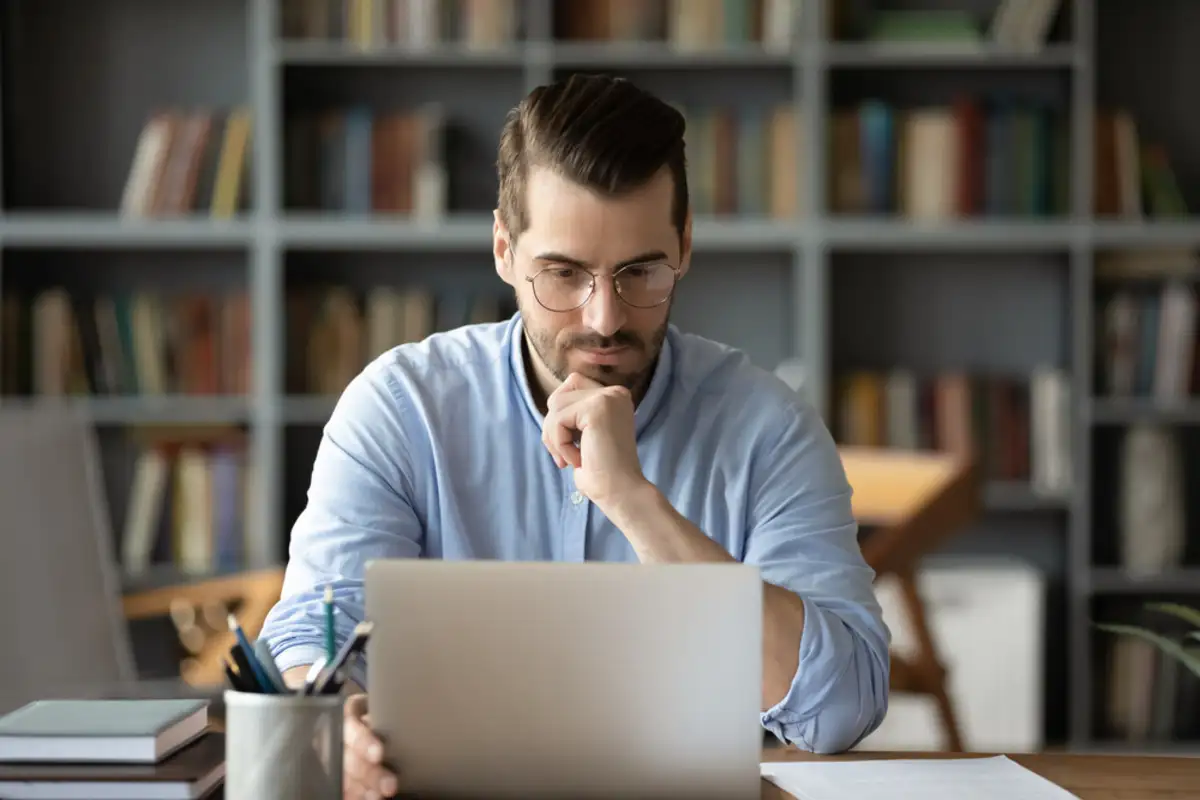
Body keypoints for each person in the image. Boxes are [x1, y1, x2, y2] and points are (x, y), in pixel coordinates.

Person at [258, 73, 890, 799]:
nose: (603, 319)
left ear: (683, 245)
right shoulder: (401, 408)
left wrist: (633, 502)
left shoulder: (768, 429)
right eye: (562, 274)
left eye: (638, 272)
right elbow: (315, 631)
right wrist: (330, 720)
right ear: (503, 249)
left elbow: (842, 706)